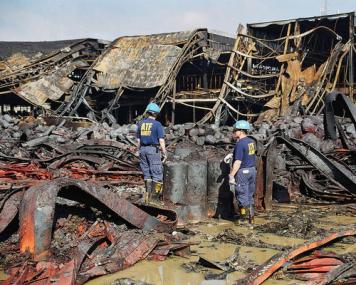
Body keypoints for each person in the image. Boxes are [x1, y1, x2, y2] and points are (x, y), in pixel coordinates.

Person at [136, 102, 167, 204]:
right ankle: (155, 199)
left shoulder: (140, 123)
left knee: (147, 174)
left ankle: (147, 198)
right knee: (157, 174)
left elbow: (138, 141)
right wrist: (164, 152)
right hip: (152, 150)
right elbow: (161, 140)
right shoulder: (157, 124)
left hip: (142, 150)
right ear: (156, 114)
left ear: (148, 112)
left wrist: (139, 151)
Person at [228, 120, 256, 225]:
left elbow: (238, 162)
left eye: (235, 130)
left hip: (243, 171)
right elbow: (248, 155)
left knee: (241, 194)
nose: (234, 132)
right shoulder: (250, 142)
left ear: (240, 131)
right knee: (249, 194)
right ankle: (251, 219)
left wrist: (231, 175)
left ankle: (244, 219)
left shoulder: (240, 143)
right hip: (252, 170)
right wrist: (233, 154)